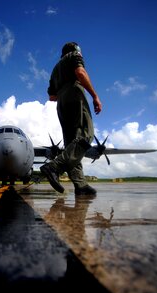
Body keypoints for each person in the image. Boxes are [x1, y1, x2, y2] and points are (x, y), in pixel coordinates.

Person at [40, 42, 102, 196]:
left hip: (61, 102)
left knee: (71, 144)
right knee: (85, 135)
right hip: (75, 95)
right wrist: (95, 96)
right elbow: (80, 73)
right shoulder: (74, 55)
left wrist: (62, 91)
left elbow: (51, 97)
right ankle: (54, 167)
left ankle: (80, 184)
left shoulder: (55, 70)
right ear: (76, 49)